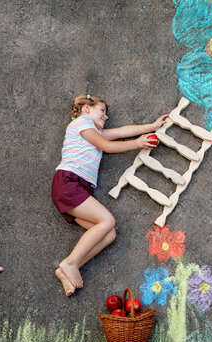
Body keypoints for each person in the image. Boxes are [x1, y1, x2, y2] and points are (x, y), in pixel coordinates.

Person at [51, 93, 168, 296]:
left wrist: (152, 126)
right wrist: (137, 143)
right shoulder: (81, 123)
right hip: (68, 182)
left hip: (79, 187)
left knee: (109, 234)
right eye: (102, 111)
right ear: (86, 108)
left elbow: (123, 131)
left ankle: (68, 268)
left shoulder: (94, 131)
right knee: (107, 221)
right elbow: (106, 146)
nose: (105, 117)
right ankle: (70, 263)